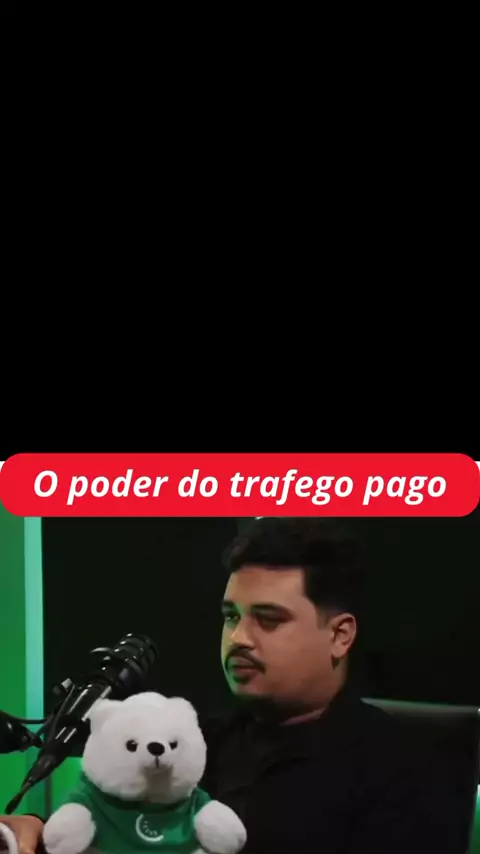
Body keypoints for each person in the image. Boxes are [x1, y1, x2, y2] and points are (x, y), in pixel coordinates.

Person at [0, 517, 464, 853]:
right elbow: (107, 818)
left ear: (340, 635)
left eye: (269, 619)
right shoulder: (193, 742)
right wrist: (35, 830)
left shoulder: (408, 770)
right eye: (230, 617)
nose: (239, 638)